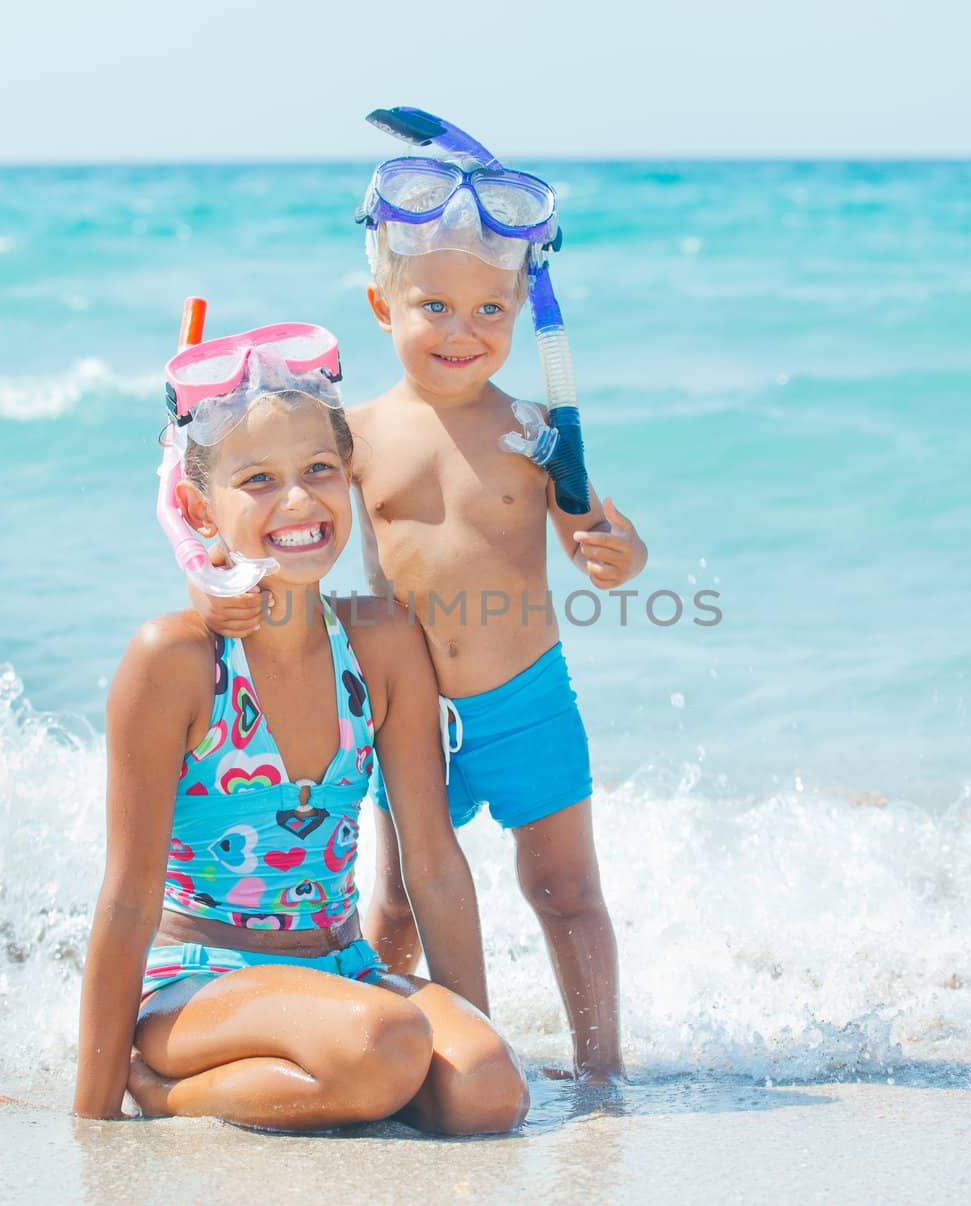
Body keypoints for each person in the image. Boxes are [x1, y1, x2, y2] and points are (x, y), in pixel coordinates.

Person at [194, 113, 648, 1082]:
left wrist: (619, 554)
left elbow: (596, 536)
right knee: (397, 902)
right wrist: (219, 555)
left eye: (490, 312)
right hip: (401, 709)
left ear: (522, 314)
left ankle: (602, 1071)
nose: (462, 333)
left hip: (526, 697)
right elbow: (287, 518)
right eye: (432, 307)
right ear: (380, 306)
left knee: (566, 888)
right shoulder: (352, 435)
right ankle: (414, 1059)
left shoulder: (536, 429)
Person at [74, 322, 528, 1132]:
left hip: (341, 969)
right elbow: (127, 900)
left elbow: (431, 861)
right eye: (257, 479)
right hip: (196, 987)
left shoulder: (381, 643)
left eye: (320, 469)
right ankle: (159, 1090)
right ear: (193, 506)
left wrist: (475, 1038)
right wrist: (93, 1114)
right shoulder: (177, 661)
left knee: (488, 1091)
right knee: (383, 1044)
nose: (298, 501)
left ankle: (374, 1065)